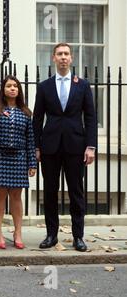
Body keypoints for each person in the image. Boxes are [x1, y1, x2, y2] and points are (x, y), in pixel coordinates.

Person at [33, 43, 97, 252]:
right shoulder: (44, 87)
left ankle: (78, 236)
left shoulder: (83, 85)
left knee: (76, 192)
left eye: (66, 54)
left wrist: (91, 146)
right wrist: (37, 146)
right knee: (50, 192)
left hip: (76, 146)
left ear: (71, 59)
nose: (63, 57)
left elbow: (90, 116)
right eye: (59, 54)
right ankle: (51, 235)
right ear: (53, 58)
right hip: (50, 147)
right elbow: (37, 118)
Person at [0, 75, 37, 249]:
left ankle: (17, 232)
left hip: (19, 158)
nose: (12, 88)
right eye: (9, 86)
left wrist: (32, 164)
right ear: (3, 90)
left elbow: (30, 140)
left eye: (15, 86)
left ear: (19, 90)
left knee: (16, 196)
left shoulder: (26, 112)